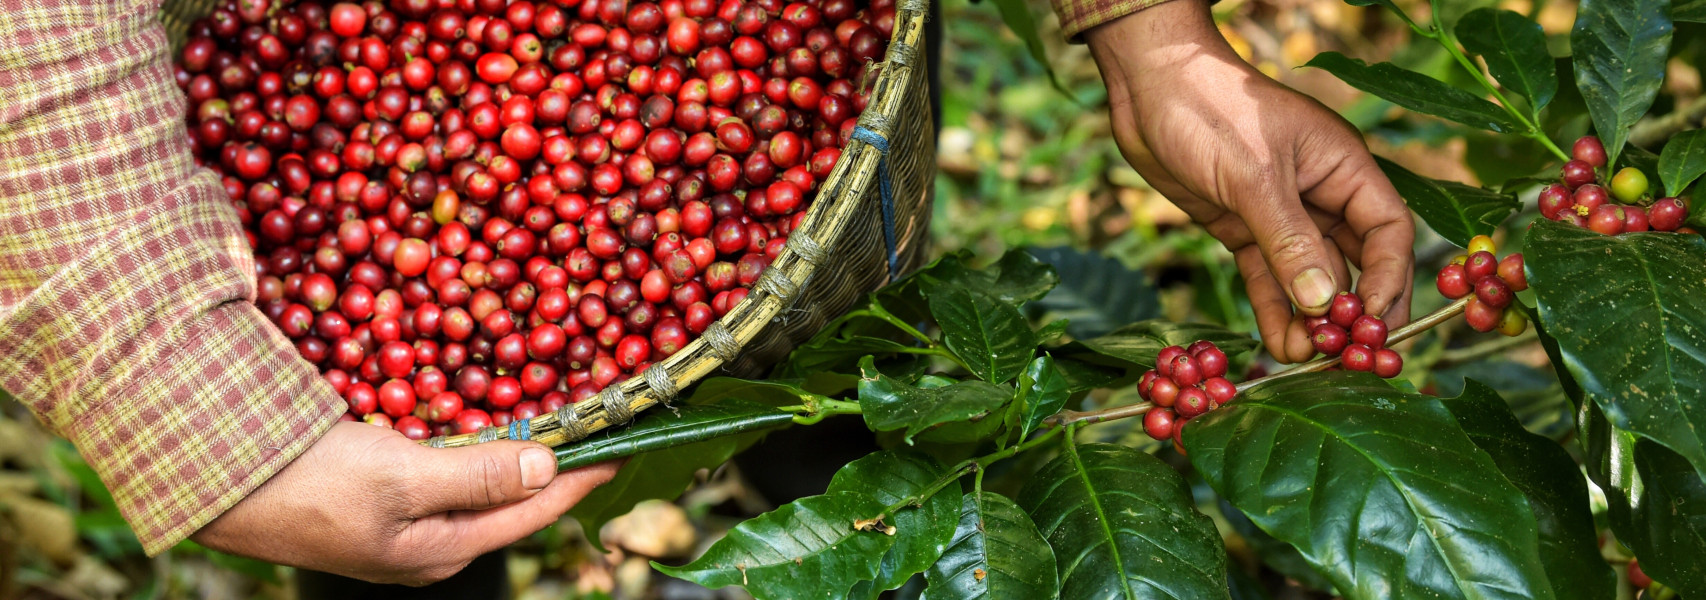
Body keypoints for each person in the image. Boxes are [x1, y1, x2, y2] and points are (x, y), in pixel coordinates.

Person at [0, 0, 1412, 588]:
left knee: (864, 379)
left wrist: (1150, 36)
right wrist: (163, 361)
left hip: (817, 206)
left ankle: (879, 484)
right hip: (212, 203)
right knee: (393, 487)